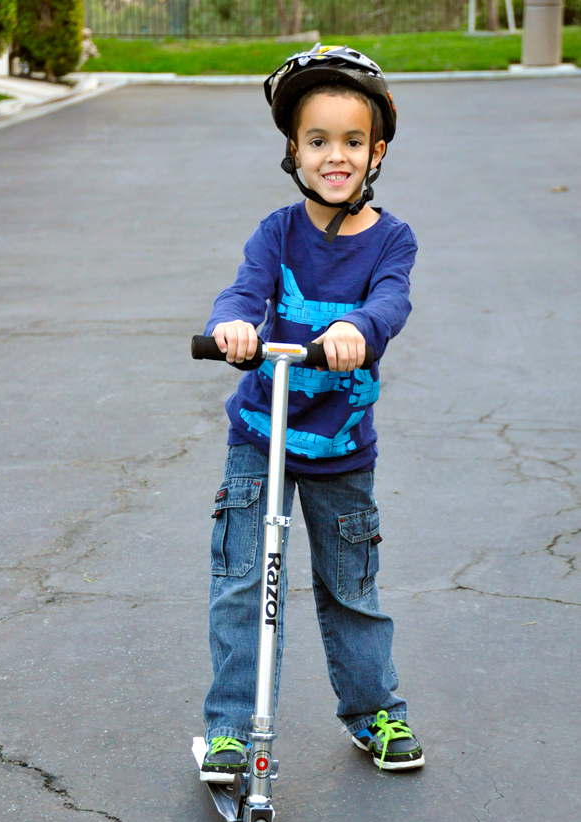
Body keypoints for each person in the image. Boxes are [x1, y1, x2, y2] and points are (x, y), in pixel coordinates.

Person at [200, 45, 424, 777]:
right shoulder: (278, 232)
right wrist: (235, 324)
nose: (336, 156)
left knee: (351, 587)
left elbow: (391, 299)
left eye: (352, 142)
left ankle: (374, 712)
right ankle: (233, 729)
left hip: (341, 448)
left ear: (377, 151)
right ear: (293, 150)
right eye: (318, 141)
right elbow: (245, 290)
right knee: (243, 583)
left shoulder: (392, 238)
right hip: (259, 435)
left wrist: (359, 329)